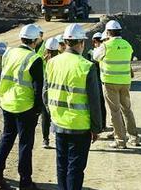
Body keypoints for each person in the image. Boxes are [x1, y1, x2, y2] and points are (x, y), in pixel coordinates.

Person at [44, 23, 103, 190]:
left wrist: (53, 115)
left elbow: (45, 94)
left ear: (65, 42)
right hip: (79, 127)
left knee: (61, 166)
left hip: (59, 124)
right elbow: (94, 101)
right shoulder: (87, 66)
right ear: (81, 43)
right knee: (75, 169)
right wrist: (96, 128)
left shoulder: (52, 62)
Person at [0, 24, 45, 189]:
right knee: (25, 143)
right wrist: (38, 109)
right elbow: (38, 88)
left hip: (7, 102)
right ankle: (25, 181)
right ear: (35, 41)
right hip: (25, 106)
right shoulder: (34, 59)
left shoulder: (8, 52)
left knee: (7, 137)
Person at [93, 20, 139, 148]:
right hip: (125, 82)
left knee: (115, 111)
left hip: (110, 82)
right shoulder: (127, 45)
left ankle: (120, 140)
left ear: (107, 32)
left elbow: (95, 57)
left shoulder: (106, 46)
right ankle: (134, 137)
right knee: (127, 110)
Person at [40, 37, 61, 149]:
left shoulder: (43, 60)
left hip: (46, 90)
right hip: (58, 91)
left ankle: (45, 139)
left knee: (45, 116)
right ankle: (58, 138)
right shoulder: (61, 60)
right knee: (57, 115)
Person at [86, 32, 109, 132]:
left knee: (101, 103)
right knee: (98, 102)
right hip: (96, 79)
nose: (98, 43)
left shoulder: (103, 51)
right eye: (96, 41)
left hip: (101, 79)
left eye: (100, 41)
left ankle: (102, 125)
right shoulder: (91, 53)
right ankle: (99, 125)